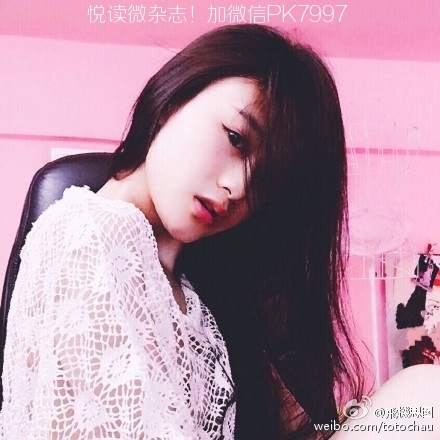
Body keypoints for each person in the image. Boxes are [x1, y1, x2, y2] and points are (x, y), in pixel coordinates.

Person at [1, 23, 439, 440]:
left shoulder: (202, 293)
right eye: (236, 137)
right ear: (175, 95)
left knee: (424, 394)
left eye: (266, 182)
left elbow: (305, 425)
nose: (238, 187)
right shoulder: (88, 233)